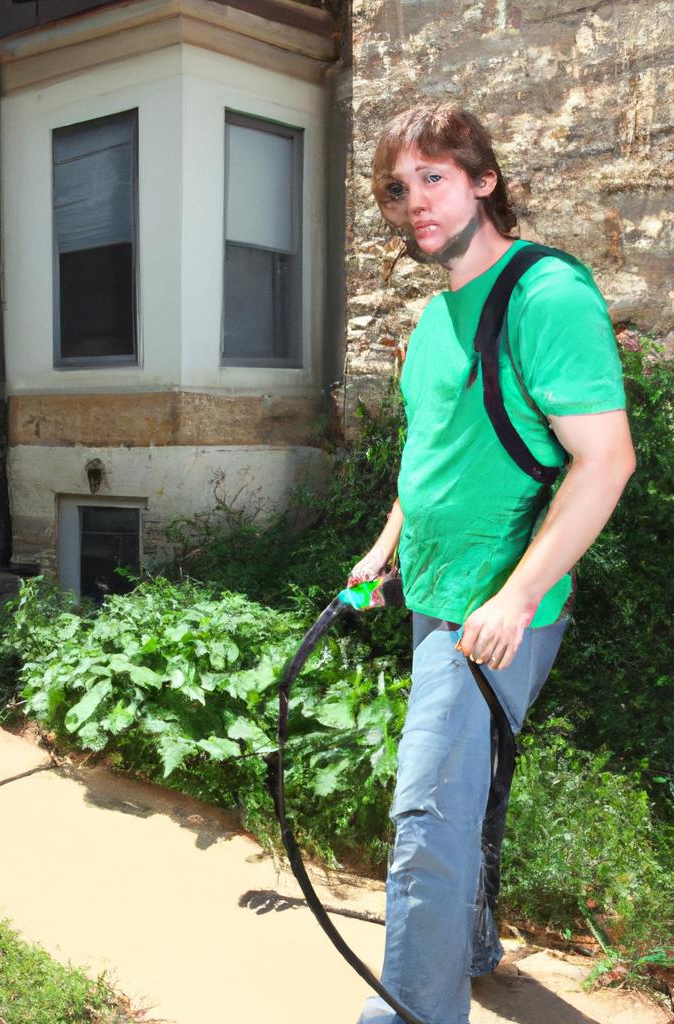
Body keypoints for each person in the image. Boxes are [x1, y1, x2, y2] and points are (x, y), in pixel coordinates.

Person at [351, 105, 635, 1024]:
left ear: (482, 180)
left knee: (426, 814)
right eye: (399, 188)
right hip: (432, 593)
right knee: (468, 786)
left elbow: (605, 460)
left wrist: (516, 597)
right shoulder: (433, 323)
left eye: (434, 177)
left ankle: (415, 1011)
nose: (415, 202)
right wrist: (386, 547)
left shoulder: (546, 295)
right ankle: (469, 945)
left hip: (501, 608)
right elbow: (428, 458)